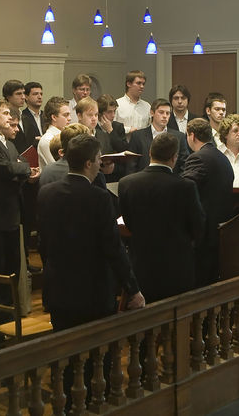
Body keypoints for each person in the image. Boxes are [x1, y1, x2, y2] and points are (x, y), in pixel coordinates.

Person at [38, 133, 144, 330]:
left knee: (64, 345)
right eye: (98, 159)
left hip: (58, 288)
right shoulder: (99, 198)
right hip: (92, 291)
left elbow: (43, 243)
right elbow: (113, 247)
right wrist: (132, 288)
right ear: (88, 163)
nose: (100, 164)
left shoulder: (46, 193)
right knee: (97, 346)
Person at [119, 133, 205, 302]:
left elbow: (128, 222)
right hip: (176, 267)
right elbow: (198, 226)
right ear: (174, 157)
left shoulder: (126, 183)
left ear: (150, 153)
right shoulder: (185, 187)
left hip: (142, 265)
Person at [0, 99, 38, 283]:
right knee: (0, 265)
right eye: (5, 113)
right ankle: (1, 302)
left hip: (13, 210)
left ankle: (12, 301)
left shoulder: (9, 143)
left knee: (14, 265)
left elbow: (22, 163)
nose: (9, 117)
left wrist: (20, 169)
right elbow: (7, 169)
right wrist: (22, 169)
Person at [183, 118, 234, 286]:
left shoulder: (197, 158)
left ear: (192, 135)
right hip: (221, 229)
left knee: (200, 284)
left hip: (203, 233)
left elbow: (184, 189)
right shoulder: (223, 158)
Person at [126, 98, 188, 174]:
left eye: (167, 113)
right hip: (144, 179)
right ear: (152, 113)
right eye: (161, 112)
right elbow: (131, 165)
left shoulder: (179, 137)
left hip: (171, 179)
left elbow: (184, 165)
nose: (165, 116)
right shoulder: (138, 136)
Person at [96, 94, 129, 183]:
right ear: (100, 113)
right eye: (109, 112)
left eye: (114, 111)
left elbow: (123, 149)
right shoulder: (93, 127)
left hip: (116, 173)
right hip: (98, 174)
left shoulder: (118, 127)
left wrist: (111, 131)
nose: (113, 115)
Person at [37, 96, 72, 168]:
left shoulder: (67, 135)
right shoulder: (47, 140)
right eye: (65, 115)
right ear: (54, 117)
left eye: (69, 115)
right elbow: (58, 168)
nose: (70, 118)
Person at [115, 70, 151, 139]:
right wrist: (128, 130)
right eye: (138, 83)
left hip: (142, 144)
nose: (142, 86)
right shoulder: (117, 104)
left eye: (143, 84)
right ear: (129, 84)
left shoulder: (147, 106)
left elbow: (150, 129)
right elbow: (111, 128)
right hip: (123, 144)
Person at [2, 79, 30, 153]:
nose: (23, 97)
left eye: (24, 93)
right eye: (18, 94)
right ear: (8, 96)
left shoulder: (25, 117)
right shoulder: (3, 117)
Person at [22, 81, 44, 148]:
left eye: (41, 94)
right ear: (26, 97)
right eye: (35, 94)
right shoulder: (22, 116)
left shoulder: (46, 116)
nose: (39, 97)